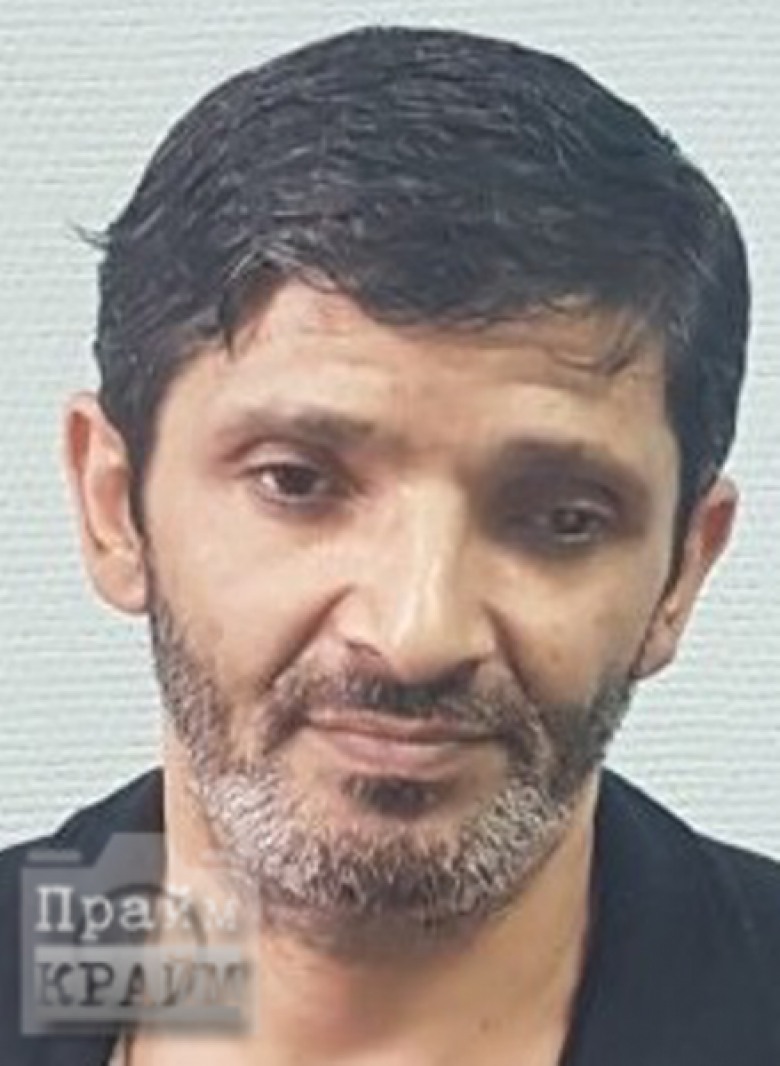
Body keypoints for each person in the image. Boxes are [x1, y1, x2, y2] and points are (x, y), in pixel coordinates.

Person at [1, 23, 778, 1066]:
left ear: (682, 570)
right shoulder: (41, 962)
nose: (417, 635)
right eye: (296, 481)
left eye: (561, 518)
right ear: (113, 505)